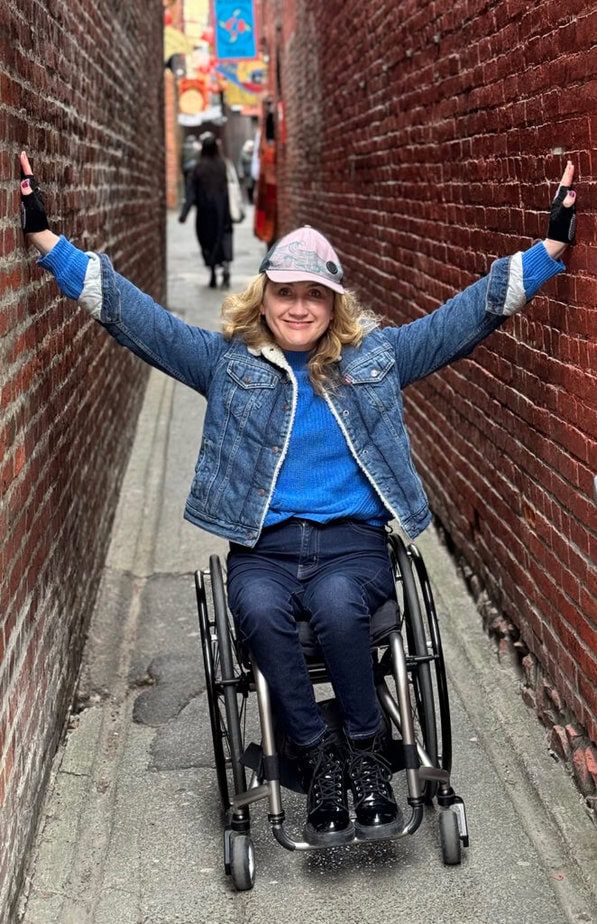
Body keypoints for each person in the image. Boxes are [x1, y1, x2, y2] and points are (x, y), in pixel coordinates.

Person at [18, 151, 577, 846]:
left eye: (315, 295)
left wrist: (550, 249)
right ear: (264, 298)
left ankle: (367, 754)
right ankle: (317, 758)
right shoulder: (226, 364)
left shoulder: (375, 359)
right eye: (286, 293)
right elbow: (135, 318)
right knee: (256, 609)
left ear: (334, 304)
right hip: (265, 550)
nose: (299, 307)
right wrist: (47, 242)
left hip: (352, 545)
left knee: (339, 605)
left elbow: (466, 316)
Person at [178, 132, 233, 289]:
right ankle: (226, 268)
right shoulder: (222, 165)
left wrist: (184, 213)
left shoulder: (198, 168)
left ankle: (213, 272)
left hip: (205, 213)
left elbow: (191, 193)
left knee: (207, 241)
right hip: (223, 211)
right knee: (224, 238)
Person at [238, 138, 255, 204]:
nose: (251, 149)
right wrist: (241, 172)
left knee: (254, 187)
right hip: (247, 174)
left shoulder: (254, 154)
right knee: (249, 188)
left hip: (253, 174)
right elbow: (240, 164)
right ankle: (250, 200)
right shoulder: (243, 154)